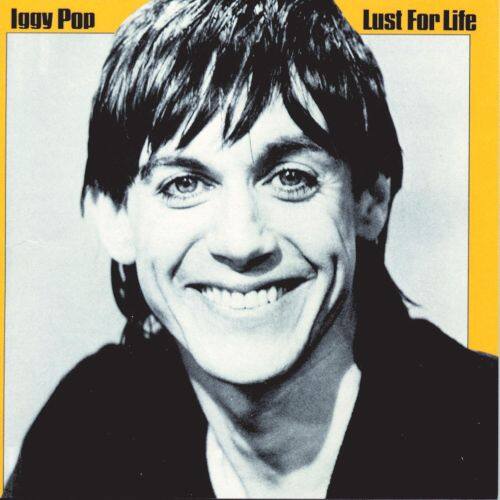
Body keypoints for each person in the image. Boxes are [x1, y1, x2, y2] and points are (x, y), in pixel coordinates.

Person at [5, 0, 497, 498]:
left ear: (370, 199)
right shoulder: (86, 433)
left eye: (291, 178)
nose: (241, 242)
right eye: (184, 184)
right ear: (114, 217)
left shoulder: (484, 434)